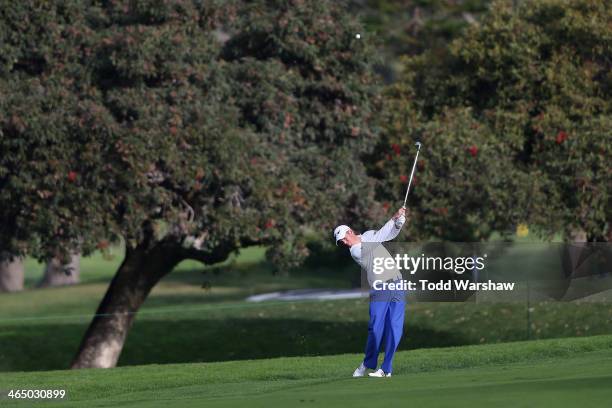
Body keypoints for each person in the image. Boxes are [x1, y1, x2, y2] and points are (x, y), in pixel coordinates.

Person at [334, 207, 407, 378]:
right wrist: (394, 218)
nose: (344, 243)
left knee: (395, 328)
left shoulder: (367, 236)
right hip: (381, 288)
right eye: (341, 243)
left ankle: (386, 369)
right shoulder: (355, 251)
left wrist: (398, 224)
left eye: (344, 239)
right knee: (375, 327)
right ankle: (367, 363)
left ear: (350, 232)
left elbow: (388, 235)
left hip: (397, 282)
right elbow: (380, 237)